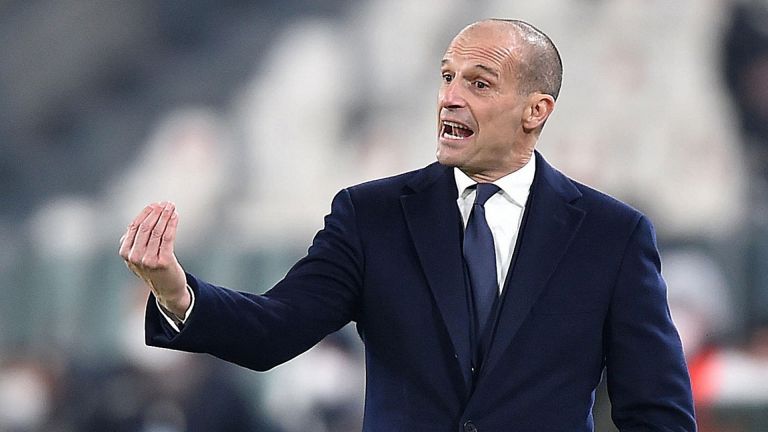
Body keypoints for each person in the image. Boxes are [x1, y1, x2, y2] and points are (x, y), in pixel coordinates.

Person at [119, 19, 696, 431]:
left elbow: (657, 411)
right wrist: (176, 292)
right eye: (447, 77)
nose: (450, 98)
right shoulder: (371, 216)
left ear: (536, 110)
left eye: (479, 83)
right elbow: (275, 330)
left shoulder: (610, 235)